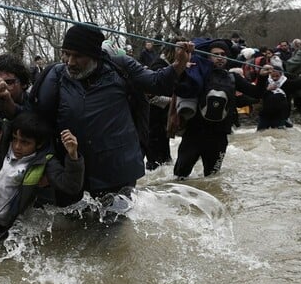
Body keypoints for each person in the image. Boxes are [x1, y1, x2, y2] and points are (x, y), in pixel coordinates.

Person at [31, 23, 189, 205]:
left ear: (95, 55)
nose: (70, 61)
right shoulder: (56, 75)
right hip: (73, 172)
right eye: (66, 53)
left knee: (116, 227)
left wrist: (179, 64)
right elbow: (36, 118)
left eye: (78, 56)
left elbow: (156, 83)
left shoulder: (120, 67)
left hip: (117, 172)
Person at [0, 110, 84, 240]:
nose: (17, 146)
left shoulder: (44, 162)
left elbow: (71, 186)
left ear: (39, 144)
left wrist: (73, 155)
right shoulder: (5, 144)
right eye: (15, 139)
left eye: (25, 142)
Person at [169, 39, 270, 178]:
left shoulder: (233, 78)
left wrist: (263, 77)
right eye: (215, 54)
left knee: (212, 178)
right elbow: (180, 88)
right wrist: (182, 69)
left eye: (223, 54)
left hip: (219, 137)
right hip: (194, 135)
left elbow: (257, 93)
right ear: (208, 57)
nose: (220, 57)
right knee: (180, 175)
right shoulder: (198, 74)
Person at [145, 37, 186, 170]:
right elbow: (151, 97)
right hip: (153, 120)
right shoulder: (158, 66)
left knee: (166, 160)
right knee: (155, 163)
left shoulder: (173, 66)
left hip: (163, 121)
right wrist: (174, 102)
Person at [257, 59, 301, 130]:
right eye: (273, 76)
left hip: (280, 115)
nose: (274, 78)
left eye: (277, 76)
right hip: (265, 114)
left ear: (281, 75)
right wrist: (267, 89)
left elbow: (299, 83)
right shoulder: (265, 82)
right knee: (260, 134)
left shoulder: (287, 83)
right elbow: (258, 93)